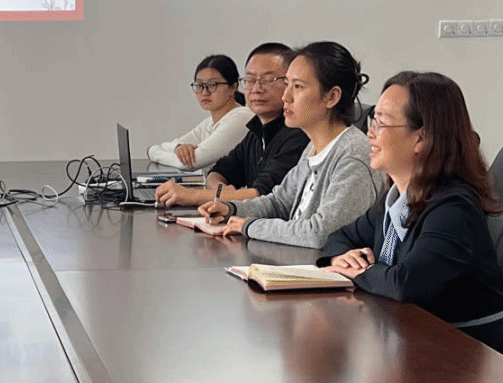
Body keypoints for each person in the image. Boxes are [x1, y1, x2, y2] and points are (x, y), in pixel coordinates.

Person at [316, 71, 503, 358]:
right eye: (373, 119)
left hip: (468, 359)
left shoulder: (453, 208)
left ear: (421, 138)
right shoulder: (397, 197)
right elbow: (340, 237)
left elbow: (406, 284)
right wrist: (342, 258)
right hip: (413, 344)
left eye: (381, 123)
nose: (369, 133)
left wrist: (358, 271)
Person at [196, 41, 380, 248]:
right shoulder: (313, 148)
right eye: (287, 84)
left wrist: (248, 226)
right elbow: (279, 203)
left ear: (332, 96)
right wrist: (231, 209)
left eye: (298, 87)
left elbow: (320, 233)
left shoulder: (353, 155)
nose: (286, 96)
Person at [154, 43, 307, 208]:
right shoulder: (256, 131)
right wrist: (221, 193)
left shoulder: (298, 133)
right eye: (250, 80)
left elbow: (263, 195)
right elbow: (218, 172)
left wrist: (192, 195)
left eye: (268, 79)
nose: (256, 88)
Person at [146, 54, 253, 173]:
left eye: (212, 85)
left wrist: (151, 152)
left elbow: (190, 163)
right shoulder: (209, 123)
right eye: (199, 85)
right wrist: (178, 147)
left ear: (233, 87)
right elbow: (169, 145)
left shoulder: (241, 118)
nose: (204, 92)